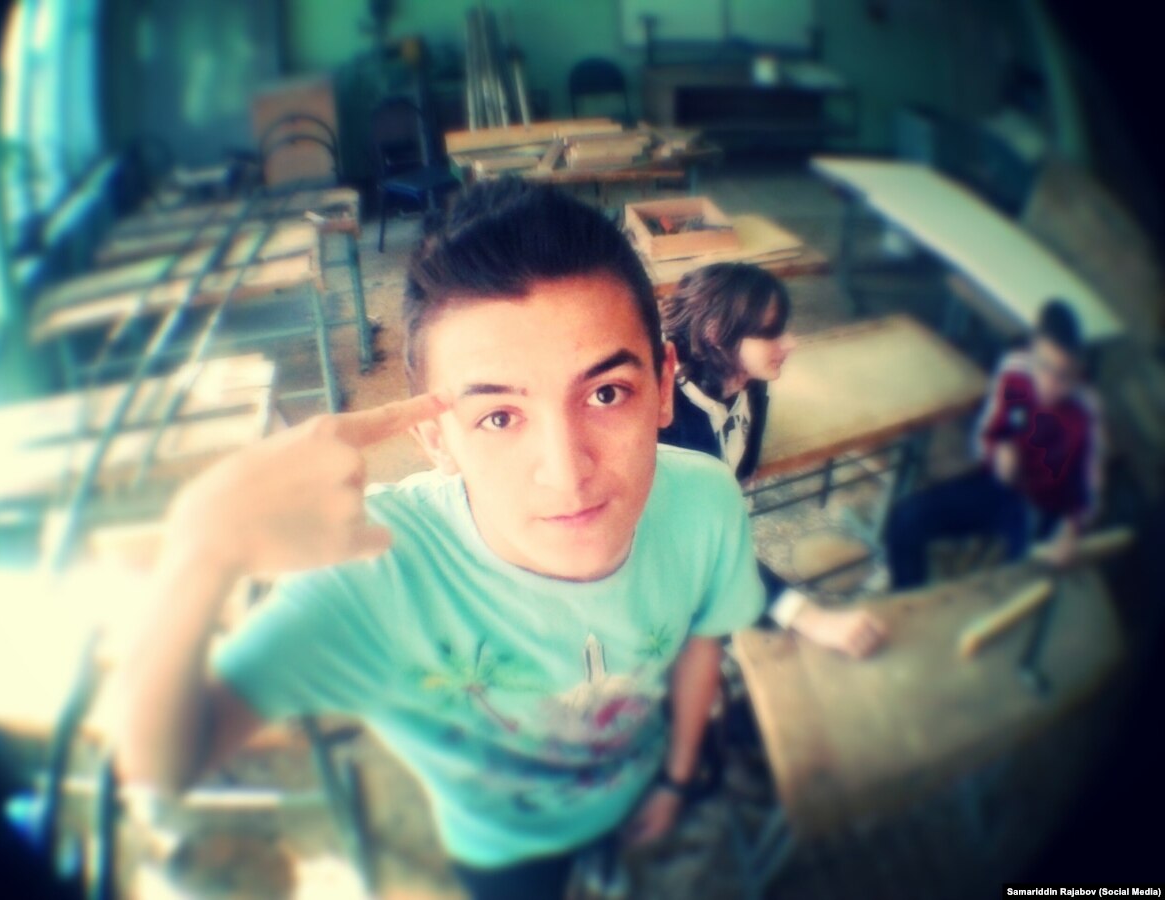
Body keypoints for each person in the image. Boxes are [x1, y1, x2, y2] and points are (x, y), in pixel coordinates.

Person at [115, 180, 766, 900]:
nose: (565, 472)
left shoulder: (705, 501)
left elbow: (703, 640)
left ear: (665, 385)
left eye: (605, 393)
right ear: (434, 435)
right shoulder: (374, 571)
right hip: (504, 846)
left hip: (645, 790)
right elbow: (164, 761)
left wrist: (675, 778)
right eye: (498, 417)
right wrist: (201, 552)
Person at [658, 263, 887, 659]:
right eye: (771, 332)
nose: (791, 343)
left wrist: (740, 475)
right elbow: (708, 553)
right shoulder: (669, 432)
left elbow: (747, 446)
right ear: (716, 335)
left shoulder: (747, 379)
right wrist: (810, 618)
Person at [883, 299, 1104, 589]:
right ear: (1033, 351)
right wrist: (996, 452)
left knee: (1026, 580)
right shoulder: (1015, 370)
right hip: (998, 486)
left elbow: (1088, 491)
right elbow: (986, 435)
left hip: (1045, 503)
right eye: (1043, 366)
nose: (1049, 383)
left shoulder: (1085, 410)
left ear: (1077, 369)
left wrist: (1071, 532)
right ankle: (910, 600)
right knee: (905, 520)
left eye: (1062, 375)